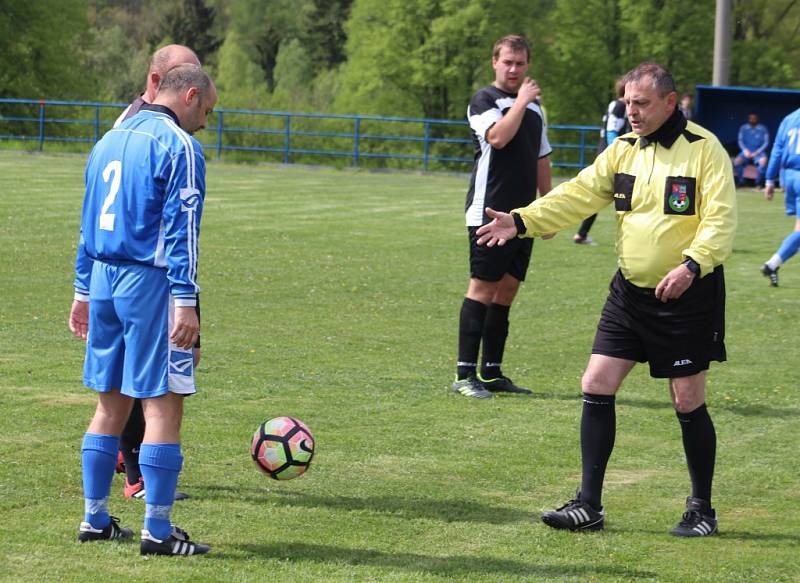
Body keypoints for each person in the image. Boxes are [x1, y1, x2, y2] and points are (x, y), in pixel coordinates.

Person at [476, 62, 736, 536]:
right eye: (627, 103)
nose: (631, 112)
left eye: (641, 103)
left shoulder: (705, 150)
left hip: (687, 293)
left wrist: (692, 264)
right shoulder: (622, 150)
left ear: (669, 103)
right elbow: (577, 194)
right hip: (629, 292)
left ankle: (702, 510)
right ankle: (588, 506)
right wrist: (520, 220)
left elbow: (719, 221)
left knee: (686, 399)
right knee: (596, 382)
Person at [69, 64, 217, 555]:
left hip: (104, 279)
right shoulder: (180, 147)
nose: (206, 121)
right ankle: (157, 530)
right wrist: (186, 303)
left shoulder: (109, 139)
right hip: (150, 285)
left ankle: (94, 519)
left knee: (110, 402)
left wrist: (82, 290)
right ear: (190, 95)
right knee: (163, 404)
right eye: (207, 110)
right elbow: (182, 233)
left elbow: (87, 221)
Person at [113, 44, 201, 501]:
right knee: (157, 387)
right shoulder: (151, 133)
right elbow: (174, 224)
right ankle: (139, 478)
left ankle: (124, 466)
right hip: (151, 277)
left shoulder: (125, 128)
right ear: (158, 79)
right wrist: (186, 301)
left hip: (120, 276)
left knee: (126, 381)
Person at [453, 34, 552, 399]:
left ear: (528, 65)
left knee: (507, 289)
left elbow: (542, 158)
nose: (514, 69)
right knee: (483, 287)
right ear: (494, 61)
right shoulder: (485, 100)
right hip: (489, 212)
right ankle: (465, 375)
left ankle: (492, 372)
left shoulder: (536, 108)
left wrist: (548, 211)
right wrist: (522, 101)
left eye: (520, 63)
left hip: (522, 218)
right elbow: (498, 138)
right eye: (507, 62)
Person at [574, 78, 631, 245]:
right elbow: (611, 131)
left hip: (610, 157)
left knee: (603, 197)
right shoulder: (619, 106)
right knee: (624, 198)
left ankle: (582, 234)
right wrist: (618, 154)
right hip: (612, 159)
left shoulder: (622, 106)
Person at [760, 106, 800, 286]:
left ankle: (775, 265)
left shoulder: (790, 118)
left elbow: (777, 149)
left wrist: (769, 179)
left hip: (790, 177)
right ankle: (772, 264)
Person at [733, 112, 770, 188]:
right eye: (751, 118)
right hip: (746, 152)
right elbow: (740, 141)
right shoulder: (743, 128)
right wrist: (745, 150)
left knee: (763, 161)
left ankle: (758, 183)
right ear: (748, 119)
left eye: (754, 118)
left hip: (759, 152)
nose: (753, 120)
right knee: (737, 161)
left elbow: (766, 142)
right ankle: (741, 182)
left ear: (757, 119)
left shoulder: (763, 128)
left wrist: (757, 152)